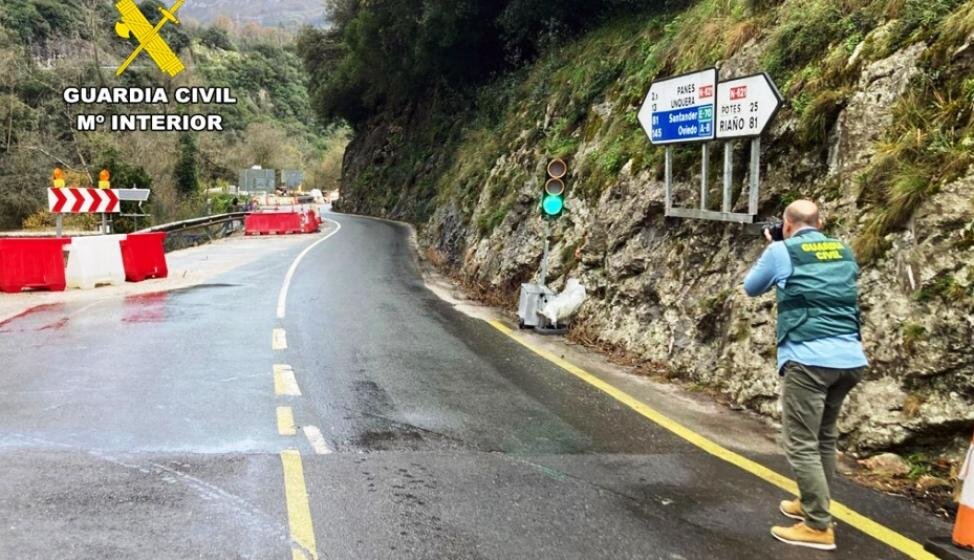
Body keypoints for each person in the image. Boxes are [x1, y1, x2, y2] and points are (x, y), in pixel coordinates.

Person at [743, 200, 868, 551]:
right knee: (825, 437)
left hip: (810, 360)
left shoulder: (782, 251)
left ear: (786, 224)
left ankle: (817, 525)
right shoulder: (843, 249)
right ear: (820, 222)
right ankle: (813, 502)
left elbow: (751, 287)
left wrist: (772, 248)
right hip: (851, 358)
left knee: (800, 442)